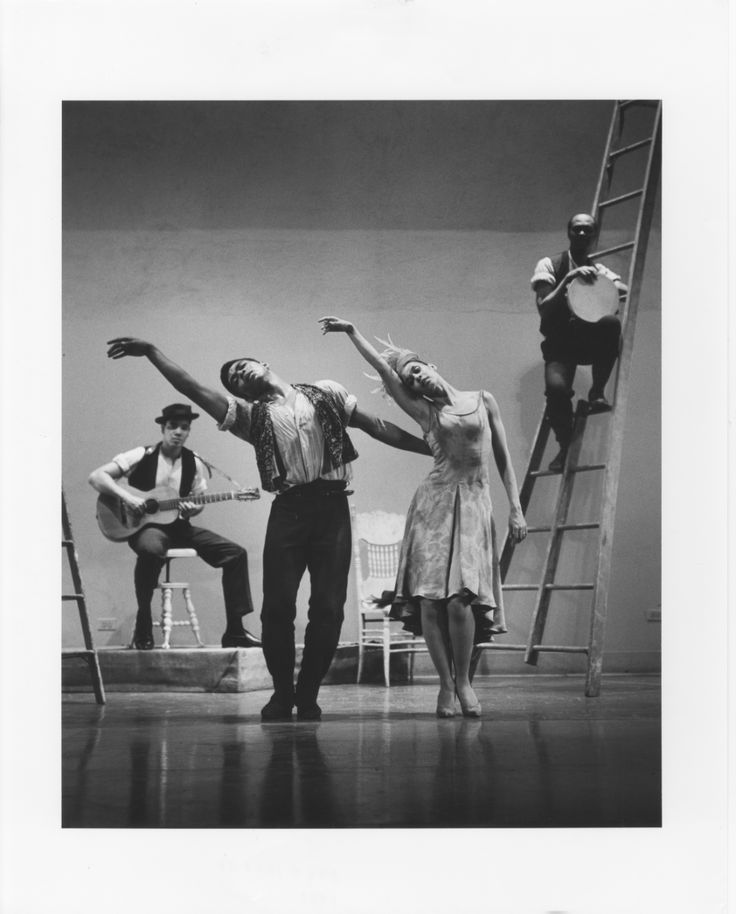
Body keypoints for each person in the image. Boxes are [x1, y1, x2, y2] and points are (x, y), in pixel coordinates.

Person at [105, 337, 431, 721]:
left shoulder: (325, 392)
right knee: (276, 609)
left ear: (261, 361)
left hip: (332, 507)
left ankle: (308, 694)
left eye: (241, 366)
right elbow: (190, 386)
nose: (236, 375)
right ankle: (282, 694)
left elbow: (376, 426)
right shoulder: (249, 417)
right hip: (288, 511)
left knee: (328, 608)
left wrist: (431, 449)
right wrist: (153, 353)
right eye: (232, 380)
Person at [319, 316, 527, 719]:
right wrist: (351, 332)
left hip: (473, 505)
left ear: (430, 365)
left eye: (416, 370)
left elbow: (503, 460)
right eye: (409, 381)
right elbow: (384, 369)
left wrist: (516, 509)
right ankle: (446, 687)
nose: (416, 380)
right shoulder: (426, 414)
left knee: (460, 602)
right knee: (431, 602)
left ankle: (464, 680)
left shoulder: (483, 400)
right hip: (433, 507)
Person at [88, 402, 259, 651]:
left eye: (184, 428)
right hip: (146, 528)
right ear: (163, 428)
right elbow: (97, 477)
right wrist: (129, 498)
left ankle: (235, 630)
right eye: (173, 426)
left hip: (179, 527)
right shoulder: (142, 454)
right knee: (150, 548)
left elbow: (198, 500)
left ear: (189, 431)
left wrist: (194, 508)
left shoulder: (195, 461)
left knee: (235, 554)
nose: (178, 432)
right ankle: (144, 619)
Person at [531, 213, 629, 471]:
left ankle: (597, 390)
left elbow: (624, 289)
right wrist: (569, 279)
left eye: (588, 230)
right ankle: (566, 446)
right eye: (577, 230)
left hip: (585, 340)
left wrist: (598, 285)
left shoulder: (597, 268)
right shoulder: (550, 264)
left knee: (611, 324)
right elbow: (544, 308)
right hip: (559, 344)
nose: (582, 234)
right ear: (569, 232)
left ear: (594, 235)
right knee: (556, 391)